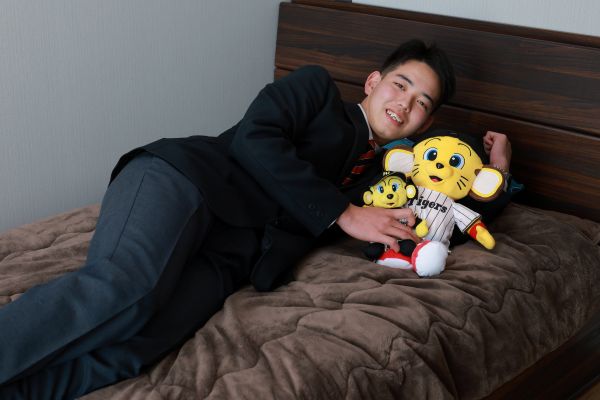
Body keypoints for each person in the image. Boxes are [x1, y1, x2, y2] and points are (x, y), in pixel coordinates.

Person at [0, 39, 512, 399]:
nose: (405, 104)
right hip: (187, 180)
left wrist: (499, 172)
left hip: (232, 255)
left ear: (427, 123)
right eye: (400, 85)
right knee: (127, 288)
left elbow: (446, 212)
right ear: (373, 81)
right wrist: (343, 212)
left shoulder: (389, 176)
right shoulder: (314, 89)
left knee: (139, 346)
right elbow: (254, 138)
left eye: (421, 104)